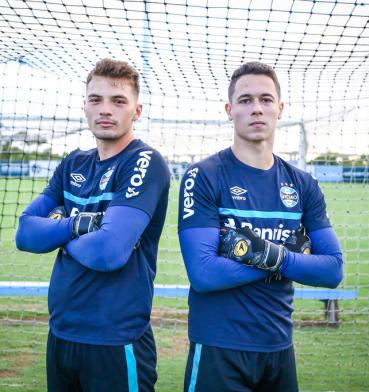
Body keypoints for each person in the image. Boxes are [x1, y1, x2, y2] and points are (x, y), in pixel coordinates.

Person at [178, 61, 343, 392]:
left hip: (279, 348)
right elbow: (204, 273)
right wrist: (291, 260)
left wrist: (265, 255)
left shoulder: (303, 184)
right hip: (218, 348)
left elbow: (332, 270)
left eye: (266, 100)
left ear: (280, 109)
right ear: (230, 109)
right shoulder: (204, 176)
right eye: (245, 100)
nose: (257, 108)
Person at [16, 58, 170, 392]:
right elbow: (25, 233)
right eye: (96, 99)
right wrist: (78, 226)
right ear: (85, 106)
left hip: (115, 339)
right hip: (61, 333)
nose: (106, 109)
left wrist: (58, 230)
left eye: (118, 101)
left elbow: (108, 252)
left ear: (137, 111)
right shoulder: (73, 162)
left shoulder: (144, 161)